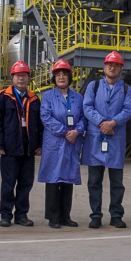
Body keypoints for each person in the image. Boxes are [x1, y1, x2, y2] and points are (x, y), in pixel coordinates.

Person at [81, 51, 131, 229]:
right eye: (110, 64)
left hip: (115, 139)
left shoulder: (126, 89)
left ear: (121, 69)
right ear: (104, 67)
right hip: (96, 139)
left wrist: (113, 123)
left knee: (117, 183)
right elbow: (87, 107)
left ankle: (116, 215)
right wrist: (102, 123)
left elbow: (128, 109)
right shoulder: (94, 86)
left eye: (116, 65)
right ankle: (96, 215)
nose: (112, 67)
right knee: (94, 182)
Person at [0, 60, 43, 227]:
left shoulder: (34, 99)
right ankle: (5, 215)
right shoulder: (2, 98)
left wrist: (39, 145)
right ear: (12, 77)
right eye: (18, 75)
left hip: (28, 149)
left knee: (25, 183)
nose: (21, 79)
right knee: (8, 183)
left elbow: (39, 125)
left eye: (24, 76)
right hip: (9, 149)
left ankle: (21, 215)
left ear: (28, 78)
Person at [38, 59, 86, 229]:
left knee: (68, 179)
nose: (61, 77)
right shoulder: (48, 97)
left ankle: (65, 216)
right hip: (55, 142)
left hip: (71, 143)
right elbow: (46, 117)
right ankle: (53, 217)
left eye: (64, 74)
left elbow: (83, 118)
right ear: (54, 78)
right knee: (53, 179)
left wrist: (77, 131)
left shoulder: (78, 97)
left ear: (69, 77)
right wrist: (65, 131)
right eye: (58, 74)